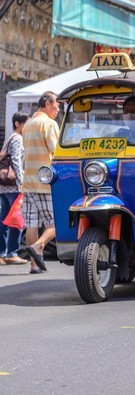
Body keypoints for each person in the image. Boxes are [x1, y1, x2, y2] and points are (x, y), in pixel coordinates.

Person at [16, 91, 60, 274]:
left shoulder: (28, 125)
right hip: (45, 182)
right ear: (48, 104)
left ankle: (34, 265)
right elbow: (56, 152)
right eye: (57, 105)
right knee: (57, 220)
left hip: (28, 182)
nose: (58, 109)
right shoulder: (49, 124)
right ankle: (40, 245)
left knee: (31, 223)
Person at [0, 112, 30, 265]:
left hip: (4, 186)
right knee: (16, 219)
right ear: (18, 124)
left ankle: (2, 253)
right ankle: (11, 253)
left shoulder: (10, 137)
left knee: (4, 221)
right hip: (14, 186)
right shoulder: (18, 138)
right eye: (26, 123)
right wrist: (21, 181)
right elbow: (17, 160)